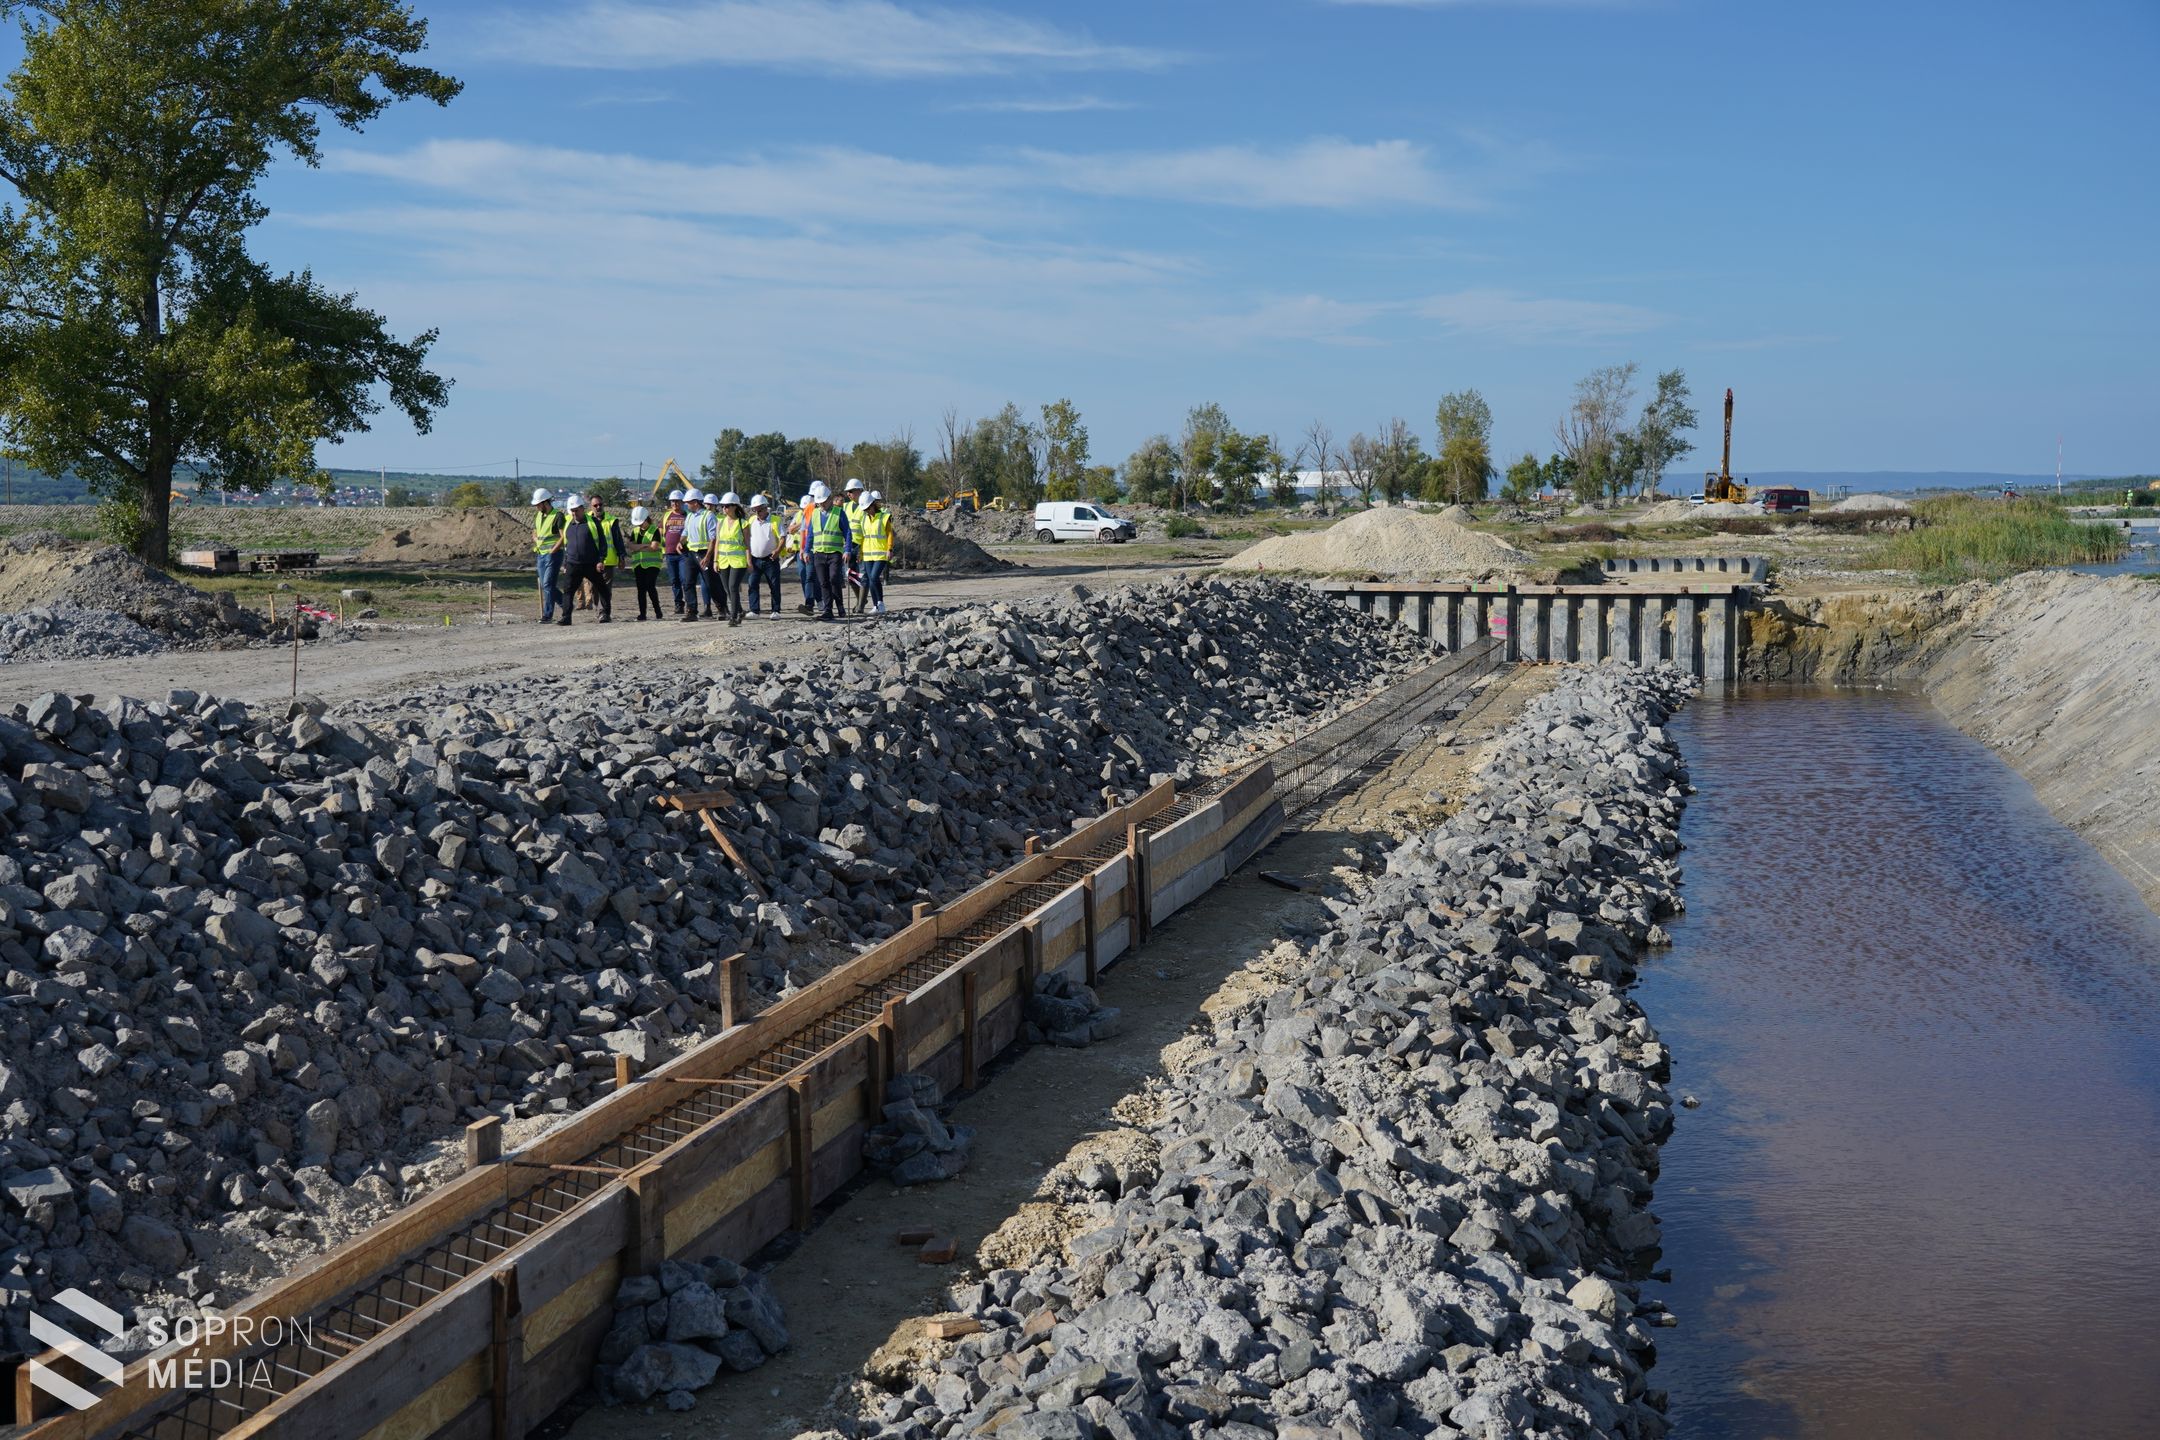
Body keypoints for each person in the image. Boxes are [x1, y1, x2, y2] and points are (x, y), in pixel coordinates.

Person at [554, 494, 601, 626]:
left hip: (591, 562)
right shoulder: (568, 523)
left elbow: (601, 542)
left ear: (582, 508)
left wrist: (600, 559)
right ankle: (566, 617)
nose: (574, 513)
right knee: (568, 591)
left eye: (576, 510)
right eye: (572, 511)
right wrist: (565, 563)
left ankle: (605, 613)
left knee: (601, 588)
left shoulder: (593, 522)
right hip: (573, 563)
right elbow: (566, 545)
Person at [807, 481, 852, 621]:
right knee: (823, 582)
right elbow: (810, 534)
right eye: (819, 502)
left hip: (835, 553)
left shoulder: (839, 513)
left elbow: (848, 532)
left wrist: (847, 550)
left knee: (834, 579)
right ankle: (828, 610)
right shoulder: (814, 514)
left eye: (824, 502)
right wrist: (806, 550)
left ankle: (840, 605)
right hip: (818, 554)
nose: (822, 505)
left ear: (829, 499)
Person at [709, 491, 751, 626]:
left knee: (733, 587)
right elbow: (718, 543)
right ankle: (739, 610)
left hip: (738, 561)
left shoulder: (743, 523)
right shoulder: (720, 523)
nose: (724, 508)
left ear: (735, 506)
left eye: (727, 506)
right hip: (723, 561)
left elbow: (747, 545)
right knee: (727, 589)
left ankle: (733, 617)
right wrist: (715, 560)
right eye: (723, 506)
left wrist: (749, 561)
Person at [587, 494, 627, 622]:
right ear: (591, 506)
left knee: (605, 588)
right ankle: (597, 609)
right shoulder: (586, 520)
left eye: (600, 504)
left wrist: (621, 556)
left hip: (608, 561)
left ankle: (605, 612)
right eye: (595, 505)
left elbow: (618, 540)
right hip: (591, 561)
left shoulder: (611, 520)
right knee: (594, 588)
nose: (598, 507)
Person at [746, 493, 784, 618]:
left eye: (760, 509)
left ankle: (776, 610)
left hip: (770, 559)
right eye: (755, 510)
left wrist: (777, 550)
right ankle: (754, 610)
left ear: (765, 507)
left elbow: (783, 537)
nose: (757, 512)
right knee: (752, 584)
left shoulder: (775, 521)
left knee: (774, 585)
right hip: (755, 558)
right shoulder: (751, 521)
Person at [531, 488, 566, 622]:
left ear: (545, 502)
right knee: (547, 585)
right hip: (540, 555)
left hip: (554, 555)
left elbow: (563, 537)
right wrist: (535, 538)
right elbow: (534, 532)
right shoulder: (539, 516)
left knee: (547, 584)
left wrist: (553, 550)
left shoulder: (558, 516)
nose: (536, 507)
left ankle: (547, 615)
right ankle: (566, 604)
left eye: (538, 504)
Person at [679, 490, 714, 622]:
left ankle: (722, 608)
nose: (686, 505)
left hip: (704, 553)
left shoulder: (708, 515)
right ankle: (691, 611)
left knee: (711, 583)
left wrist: (708, 556)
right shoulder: (689, 516)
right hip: (691, 554)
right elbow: (686, 532)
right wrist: (680, 542)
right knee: (688, 582)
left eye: (688, 503)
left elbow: (713, 539)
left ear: (695, 502)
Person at [857, 490, 894, 616]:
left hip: (881, 553)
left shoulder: (884, 517)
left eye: (868, 508)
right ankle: (876, 605)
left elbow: (889, 533)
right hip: (867, 554)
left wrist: (889, 549)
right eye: (865, 509)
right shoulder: (864, 520)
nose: (866, 511)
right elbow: (863, 537)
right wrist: (860, 553)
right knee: (872, 579)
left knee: (873, 577)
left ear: (872, 505)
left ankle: (880, 603)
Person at [627, 504, 665, 619]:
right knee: (641, 589)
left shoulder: (655, 530)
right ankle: (642, 614)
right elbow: (631, 546)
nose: (639, 525)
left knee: (650, 586)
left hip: (653, 564)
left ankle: (658, 611)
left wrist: (638, 546)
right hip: (638, 564)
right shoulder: (635, 531)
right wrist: (644, 545)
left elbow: (654, 547)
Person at [662, 489, 691, 615]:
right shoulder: (667, 516)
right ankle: (678, 604)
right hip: (669, 553)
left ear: (682, 502)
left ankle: (690, 603)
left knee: (685, 579)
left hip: (683, 553)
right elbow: (660, 530)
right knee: (674, 581)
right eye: (673, 501)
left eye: (677, 501)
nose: (675, 504)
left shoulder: (687, 516)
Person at [841, 477, 868, 614]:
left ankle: (861, 605)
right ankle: (860, 599)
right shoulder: (845, 506)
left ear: (859, 490)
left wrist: (862, 550)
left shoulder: (865, 506)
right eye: (847, 492)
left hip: (861, 545)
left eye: (851, 491)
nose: (848, 494)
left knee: (863, 575)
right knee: (850, 576)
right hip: (848, 545)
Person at [792, 492, 820, 615]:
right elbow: (795, 530)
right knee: (805, 576)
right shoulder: (802, 513)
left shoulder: (820, 511)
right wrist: (803, 549)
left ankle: (818, 601)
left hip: (817, 548)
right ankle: (810, 603)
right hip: (803, 549)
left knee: (813, 577)